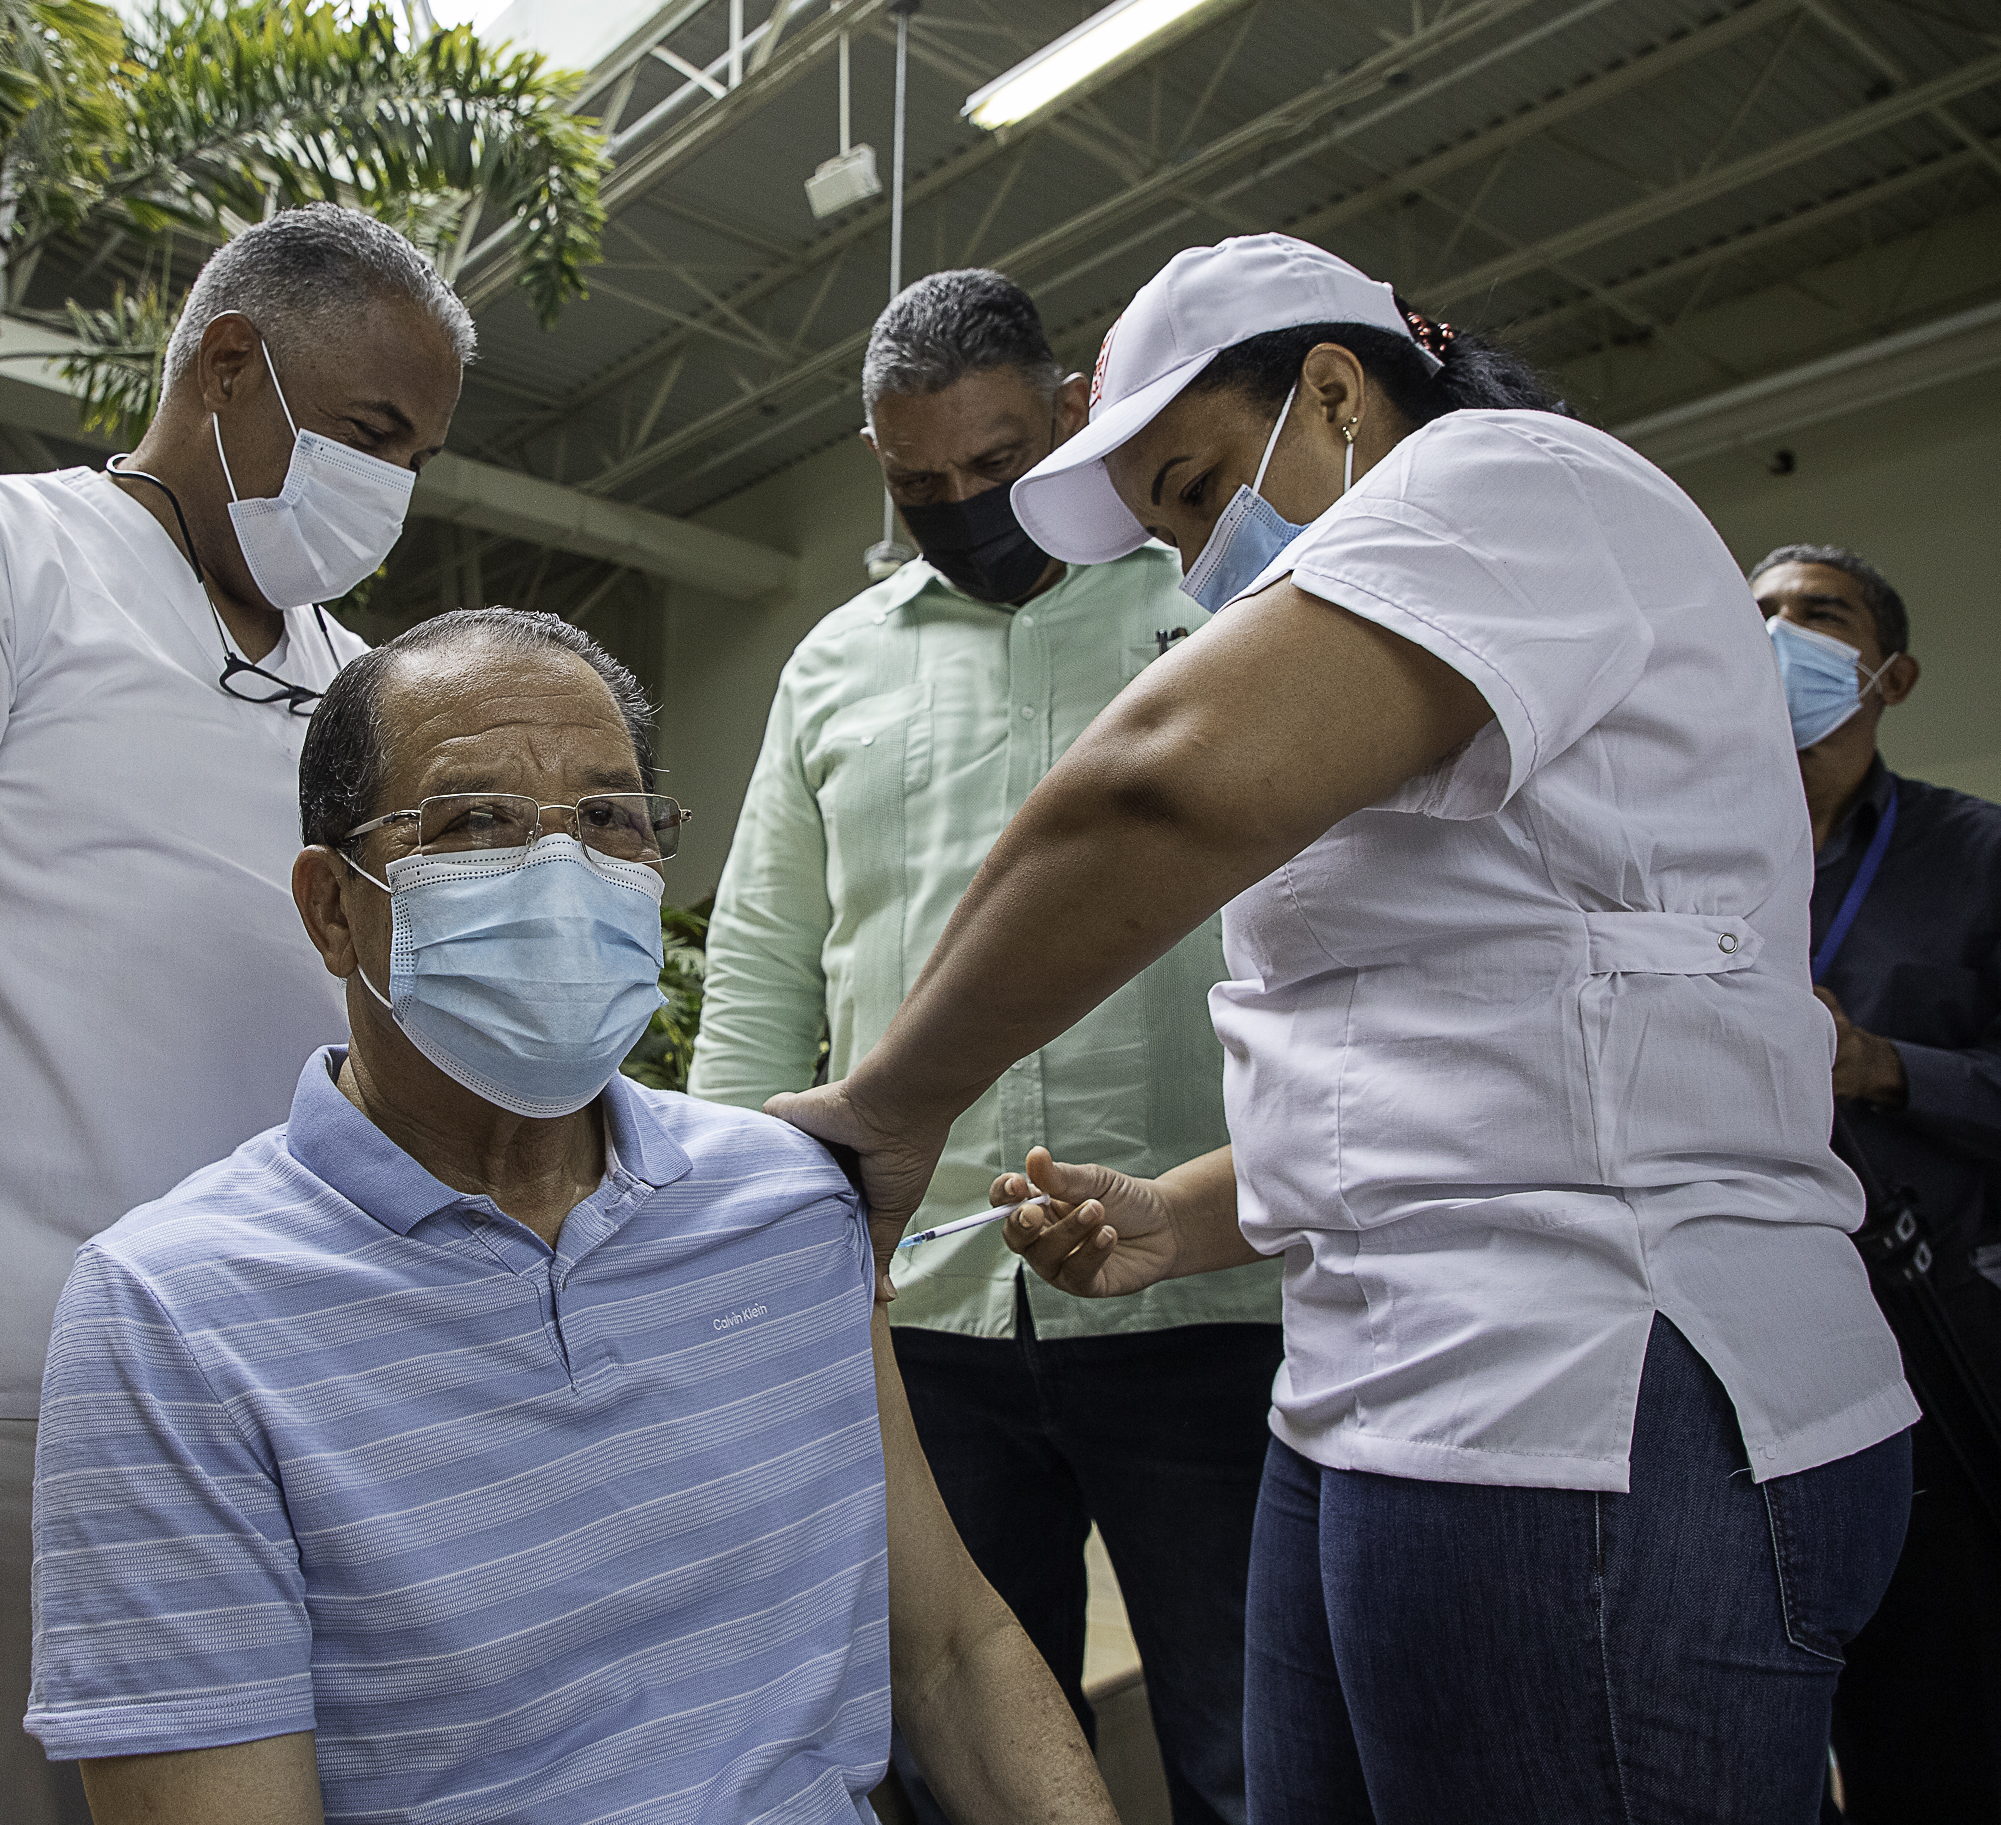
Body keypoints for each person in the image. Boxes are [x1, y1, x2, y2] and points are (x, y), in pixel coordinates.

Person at [769, 231, 1919, 1823]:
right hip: (1392, 1383)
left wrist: (890, 1106)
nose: (1195, 562)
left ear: (1332, 390)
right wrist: (1179, 1215)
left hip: (1600, 1389)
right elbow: (1450, 1040)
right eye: (1169, 528)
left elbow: (1155, 788)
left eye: (1196, 492)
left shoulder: (1509, 482)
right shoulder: (1433, 628)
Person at [23, 609, 1118, 1825]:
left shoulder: (789, 1205)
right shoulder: (172, 1317)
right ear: (332, 907)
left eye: (607, 818)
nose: (561, 872)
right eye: (472, 821)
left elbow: (951, 1652)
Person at [0, 203, 466, 1824]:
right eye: (370, 436)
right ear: (226, 365)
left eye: (418, 459)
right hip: (19, 1437)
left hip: (301, 1423)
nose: (392, 492)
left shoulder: (366, 694)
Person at [693, 268, 1277, 1825]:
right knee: (955, 1751)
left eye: (995, 464)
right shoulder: (834, 665)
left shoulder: (1211, 607)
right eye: (917, 483)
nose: (960, 504)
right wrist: (720, 1251)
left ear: (1070, 413)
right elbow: (763, 962)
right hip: (926, 1311)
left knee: (1252, 1747)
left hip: (1200, 1290)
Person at [1753, 542, 2001, 1821]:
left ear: (1888, 675)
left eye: (1817, 615)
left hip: (1943, 1345)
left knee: (1942, 1712)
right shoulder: (1687, 865)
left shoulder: (1973, 855)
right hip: (1751, 1351)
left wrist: (1879, 1066)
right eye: (1757, 612)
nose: (1776, 634)